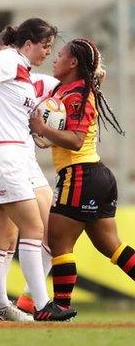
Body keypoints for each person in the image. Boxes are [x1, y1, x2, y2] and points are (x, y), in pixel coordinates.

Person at [0, 18, 76, 321]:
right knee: (34, 228)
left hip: (2, 156)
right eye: (44, 46)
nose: (47, 52)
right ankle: (42, 305)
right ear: (27, 44)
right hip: (3, 157)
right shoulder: (9, 59)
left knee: (1, 236)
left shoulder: (26, 75)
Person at [29, 39, 133, 312]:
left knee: (59, 244)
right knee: (111, 245)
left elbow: (75, 140)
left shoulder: (76, 95)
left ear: (73, 63)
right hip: (97, 175)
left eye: (60, 55)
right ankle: (54, 306)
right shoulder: (73, 89)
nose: (55, 58)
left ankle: (61, 308)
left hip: (79, 175)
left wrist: (42, 128)